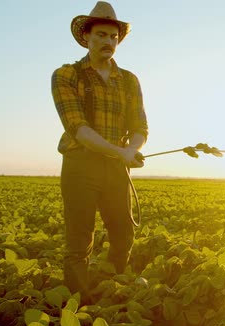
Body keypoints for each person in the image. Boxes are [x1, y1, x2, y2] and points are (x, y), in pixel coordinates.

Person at [51, 1, 148, 299]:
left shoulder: (129, 81)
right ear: (87, 37)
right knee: (80, 240)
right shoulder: (67, 75)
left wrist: (131, 149)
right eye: (102, 35)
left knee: (123, 234)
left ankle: (111, 288)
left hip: (117, 168)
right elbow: (77, 128)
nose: (108, 42)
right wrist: (119, 153)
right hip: (81, 164)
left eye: (113, 37)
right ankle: (80, 305)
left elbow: (140, 128)